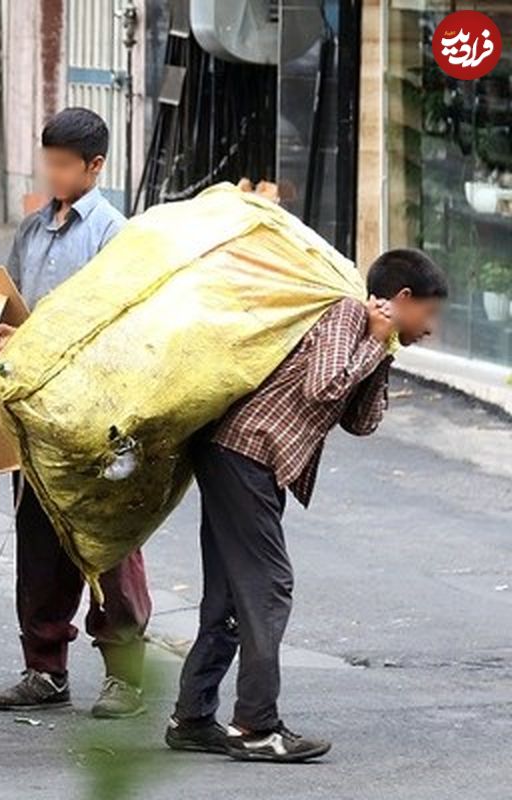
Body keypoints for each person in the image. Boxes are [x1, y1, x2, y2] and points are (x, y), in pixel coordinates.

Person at [165, 249, 448, 763]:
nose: (429, 329)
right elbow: (323, 388)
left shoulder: (371, 335)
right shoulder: (344, 312)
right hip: (245, 452)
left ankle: (192, 719)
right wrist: (374, 340)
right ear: (402, 298)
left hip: (250, 461)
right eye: (428, 314)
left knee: (231, 593)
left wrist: (381, 351)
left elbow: (359, 422)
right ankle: (255, 726)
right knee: (268, 587)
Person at [0, 107, 153, 719]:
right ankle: (45, 668)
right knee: (39, 542)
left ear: (95, 166)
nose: (52, 174)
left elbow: (116, 325)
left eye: (63, 165)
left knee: (107, 540)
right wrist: (7, 333)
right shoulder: (32, 231)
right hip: (34, 411)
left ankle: (125, 675)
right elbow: (20, 310)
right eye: (46, 162)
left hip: (98, 413)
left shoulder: (114, 233)